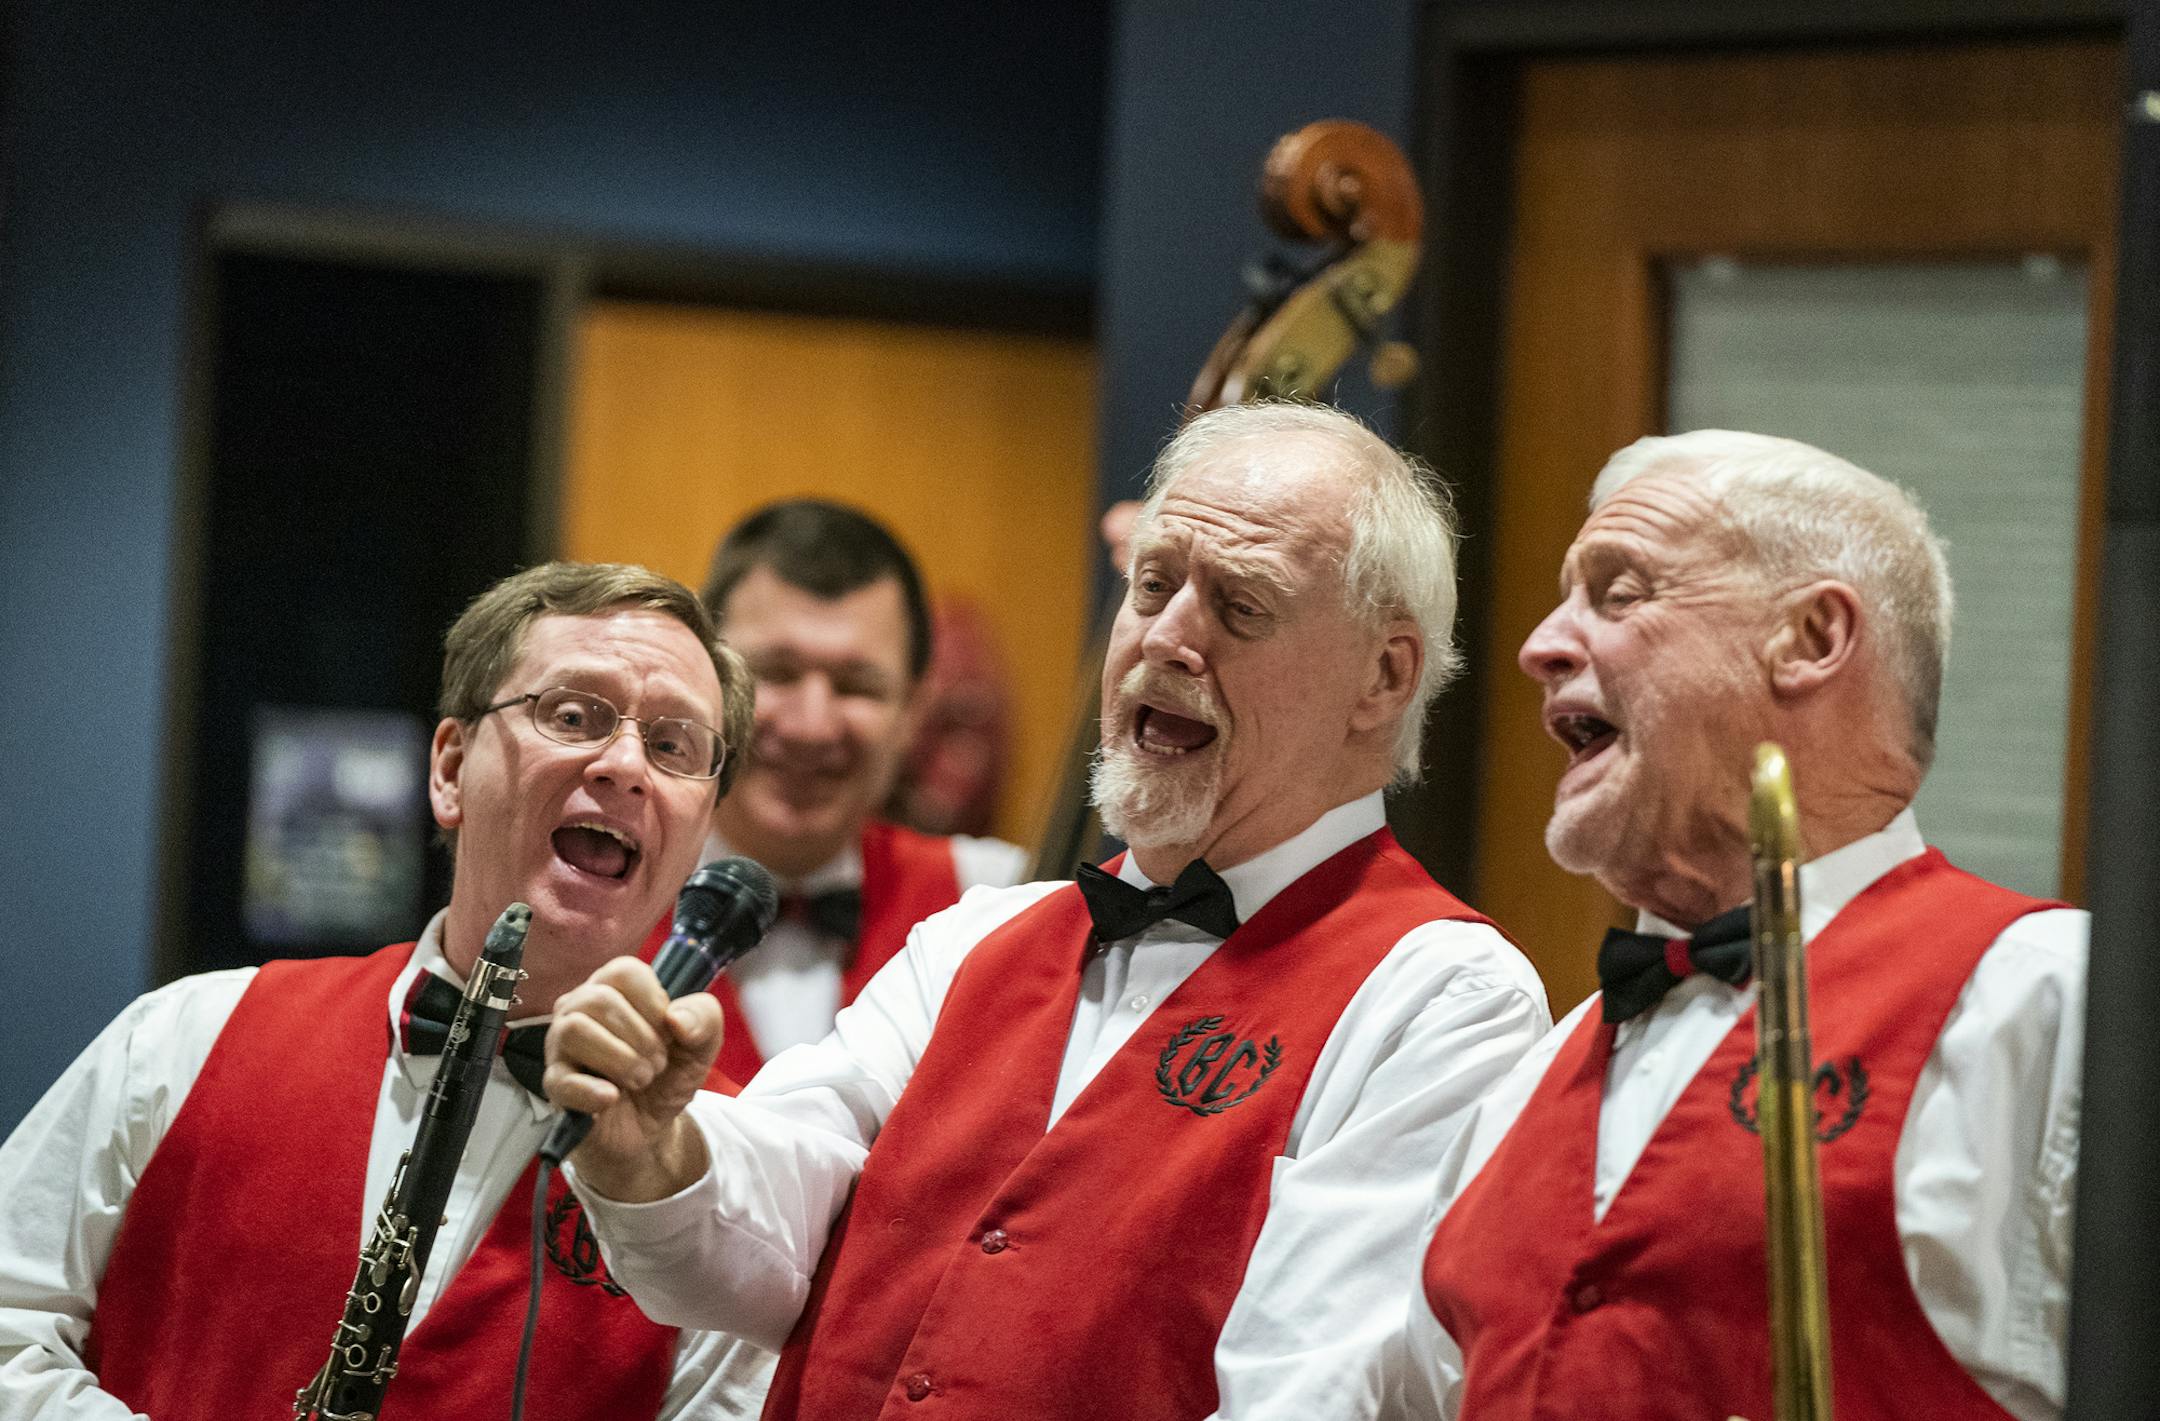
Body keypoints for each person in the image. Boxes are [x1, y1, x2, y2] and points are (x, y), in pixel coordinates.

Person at [546, 400, 1550, 1420]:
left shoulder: (1443, 994)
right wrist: (656, 1151)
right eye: (1152, 584)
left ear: (1384, 675)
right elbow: (774, 1229)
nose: (1165, 637)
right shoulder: (979, 936)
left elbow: (1315, 1388)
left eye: (1239, 606)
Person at [1404, 431, 2088, 1420]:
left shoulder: (2051, 997)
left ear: (1811, 638)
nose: (1540, 645)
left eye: (1620, 590)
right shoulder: (1522, 1083)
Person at [0, 561, 760, 1419]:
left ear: (699, 829)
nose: (625, 765)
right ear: (449, 767)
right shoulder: (186, 1034)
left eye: (673, 746)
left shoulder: (724, 1187)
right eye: (573, 714)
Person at [680, 500, 1026, 1087]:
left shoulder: (997, 900)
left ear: (914, 712)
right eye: (777, 672)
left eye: (856, 685)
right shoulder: (592, 899)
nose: (811, 726)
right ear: (702, 678)